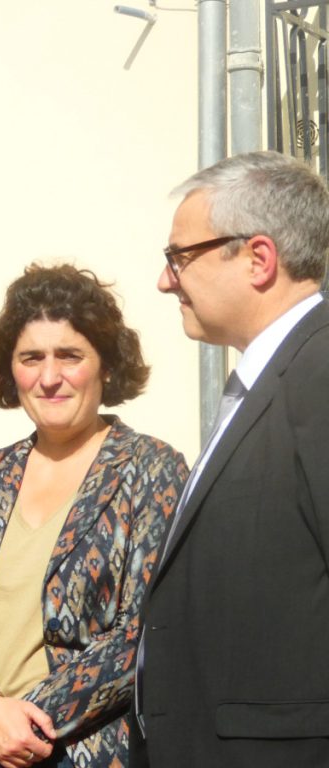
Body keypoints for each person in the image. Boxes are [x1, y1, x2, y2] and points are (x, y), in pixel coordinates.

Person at [0, 264, 188, 768]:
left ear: (105, 365)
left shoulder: (150, 468)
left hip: (83, 752)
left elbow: (140, 632)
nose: (49, 378)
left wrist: (14, 733)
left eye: (70, 356)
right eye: (31, 358)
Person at [131, 151, 329, 767]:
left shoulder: (319, 371)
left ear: (258, 259)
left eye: (180, 257)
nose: (166, 280)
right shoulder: (271, 378)